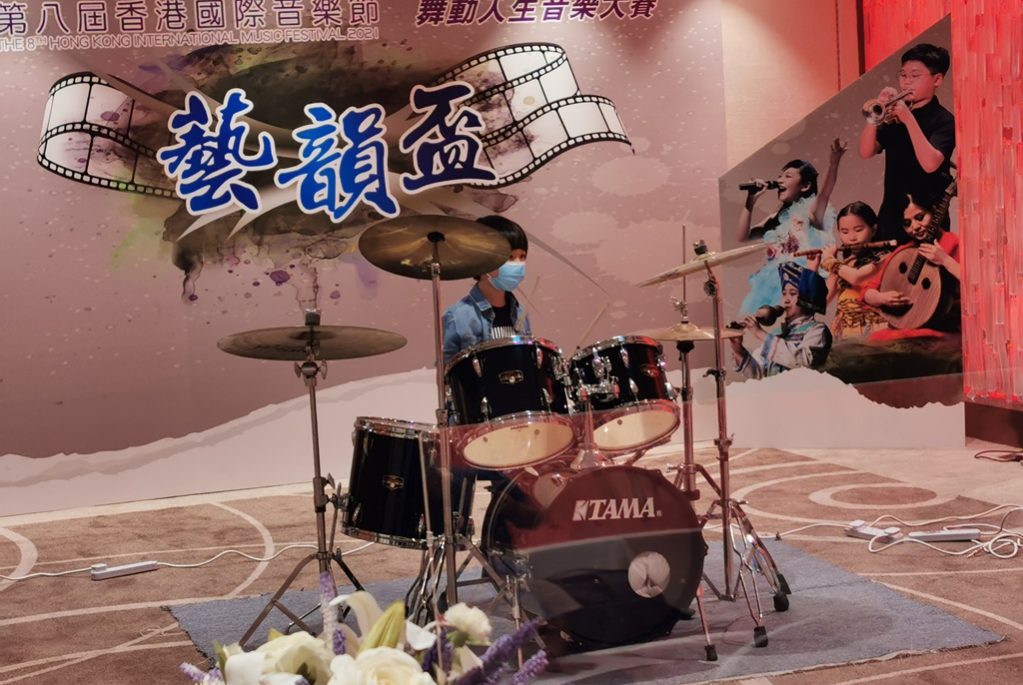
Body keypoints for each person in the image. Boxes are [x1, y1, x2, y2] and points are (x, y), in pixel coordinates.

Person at [858, 43, 955, 245]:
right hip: (891, 215)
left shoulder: (944, 120)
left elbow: (930, 164)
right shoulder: (895, 116)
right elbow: (866, 152)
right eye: (903, 75)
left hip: (929, 219)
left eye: (915, 76)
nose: (906, 82)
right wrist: (875, 116)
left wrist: (908, 119)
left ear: (937, 79)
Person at [736, 139, 846, 316]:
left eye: (788, 176)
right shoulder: (775, 217)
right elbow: (743, 236)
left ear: (805, 186)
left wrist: (834, 163)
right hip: (779, 283)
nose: (780, 180)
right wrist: (751, 200)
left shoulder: (810, 211)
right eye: (780, 176)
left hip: (803, 281)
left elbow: (825, 193)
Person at [861, 191, 961, 336]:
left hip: (948, 328)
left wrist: (945, 260)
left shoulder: (956, 243)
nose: (915, 227)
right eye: (907, 223)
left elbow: (978, 286)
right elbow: (867, 292)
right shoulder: (904, 252)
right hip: (908, 328)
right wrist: (881, 298)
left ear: (934, 212)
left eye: (920, 217)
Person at [442, 215, 530, 366]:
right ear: (481, 259)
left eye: (522, 256)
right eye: (510, 257)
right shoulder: (457, 317)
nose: (518, 264)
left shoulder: (521, 312)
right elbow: (447, 373)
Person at [729, 260, 833, 379]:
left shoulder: (817, 330)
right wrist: (737, 349)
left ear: (807, 299)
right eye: (784, 294)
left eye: (792, 293)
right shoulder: (778, 336)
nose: (786, 300)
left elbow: (804, 362)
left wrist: (760, 334)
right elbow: (757, 375)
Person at [821, 201, 893, 339]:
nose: (852, 238)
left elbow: (856, 278)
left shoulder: (884, 257)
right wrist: (814, 265)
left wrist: (830, 261)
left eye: (859, 230)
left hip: (873, 326)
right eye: (845, 232)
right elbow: (823, 301)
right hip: (845, 329)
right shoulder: (843, 265)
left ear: (873, 229)